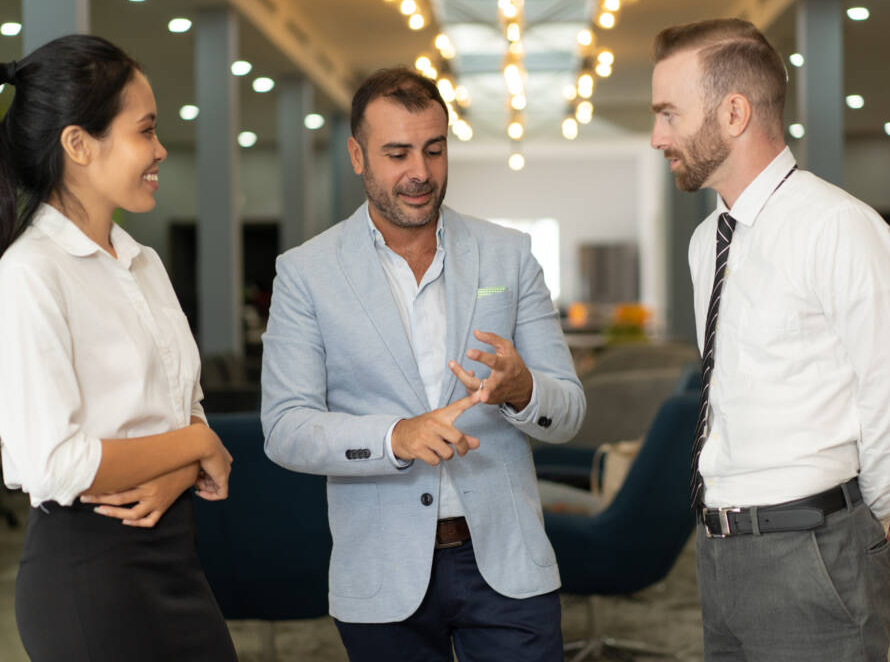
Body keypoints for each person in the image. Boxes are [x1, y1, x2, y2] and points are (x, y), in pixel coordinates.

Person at [261, 67, 585, 661]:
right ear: (357, 155)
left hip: (508, 568)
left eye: (434, 150)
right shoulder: (306, 273)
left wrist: (522, 390)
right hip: (382, 571)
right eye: (397, 153)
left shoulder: (508, 256)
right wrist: (395, 437)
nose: (420, 172)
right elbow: (286, 429)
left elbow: (567, 410)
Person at [650, 18, 890, 660]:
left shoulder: (837, 226)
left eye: (669, 114)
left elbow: (886, 389)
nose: (657, 137)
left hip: (812, 551)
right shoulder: (708, 242)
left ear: (733, 112)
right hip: (718, 551)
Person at [0, 35, 237, 661]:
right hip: (88, 575)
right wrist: (195, 446)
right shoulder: (29, 272)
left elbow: (188, 412)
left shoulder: (143, 262)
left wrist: (185, 460)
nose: (160, 151)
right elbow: (54, 463)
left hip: (173, 553)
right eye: (146, 132)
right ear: (78, 144)